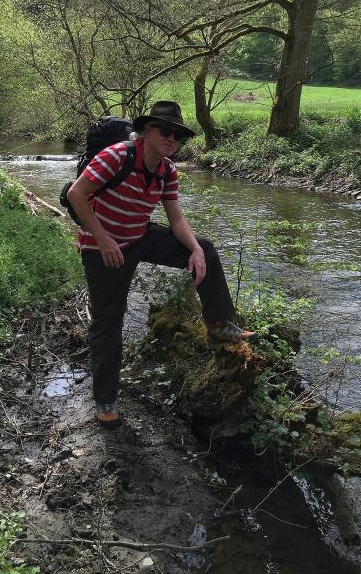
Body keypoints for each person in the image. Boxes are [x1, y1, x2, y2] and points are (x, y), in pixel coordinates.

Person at [67, 101, 258, 429]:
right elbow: (76, 194)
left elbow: (176, 218)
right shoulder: (116, 156)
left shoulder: (168, 171)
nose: (172, 138)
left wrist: (195, 249)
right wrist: (103, 239)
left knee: (206, 250)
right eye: (165, 131)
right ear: (145, 132)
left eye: (178, 135)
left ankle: (218, 326)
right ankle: (105, 400)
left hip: (138, 236)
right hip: (103, 248)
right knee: (109, 322)